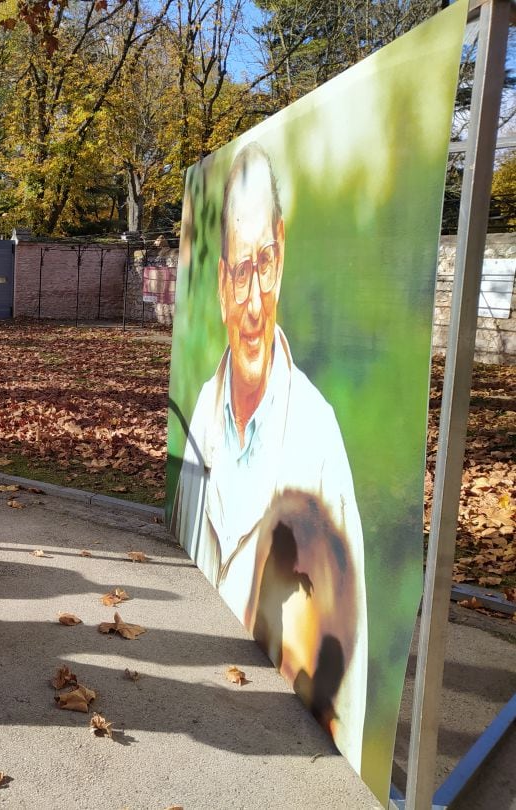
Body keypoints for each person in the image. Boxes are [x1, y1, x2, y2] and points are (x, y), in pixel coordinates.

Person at [170, 142, 368, 770]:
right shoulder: (202, 408)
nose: (252, 301)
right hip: (206, 701)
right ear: (221, 280)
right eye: (237, 271)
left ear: (280, 256)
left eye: (264, 263)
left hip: (287, 745)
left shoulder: (316, 436)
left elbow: (350, 663)